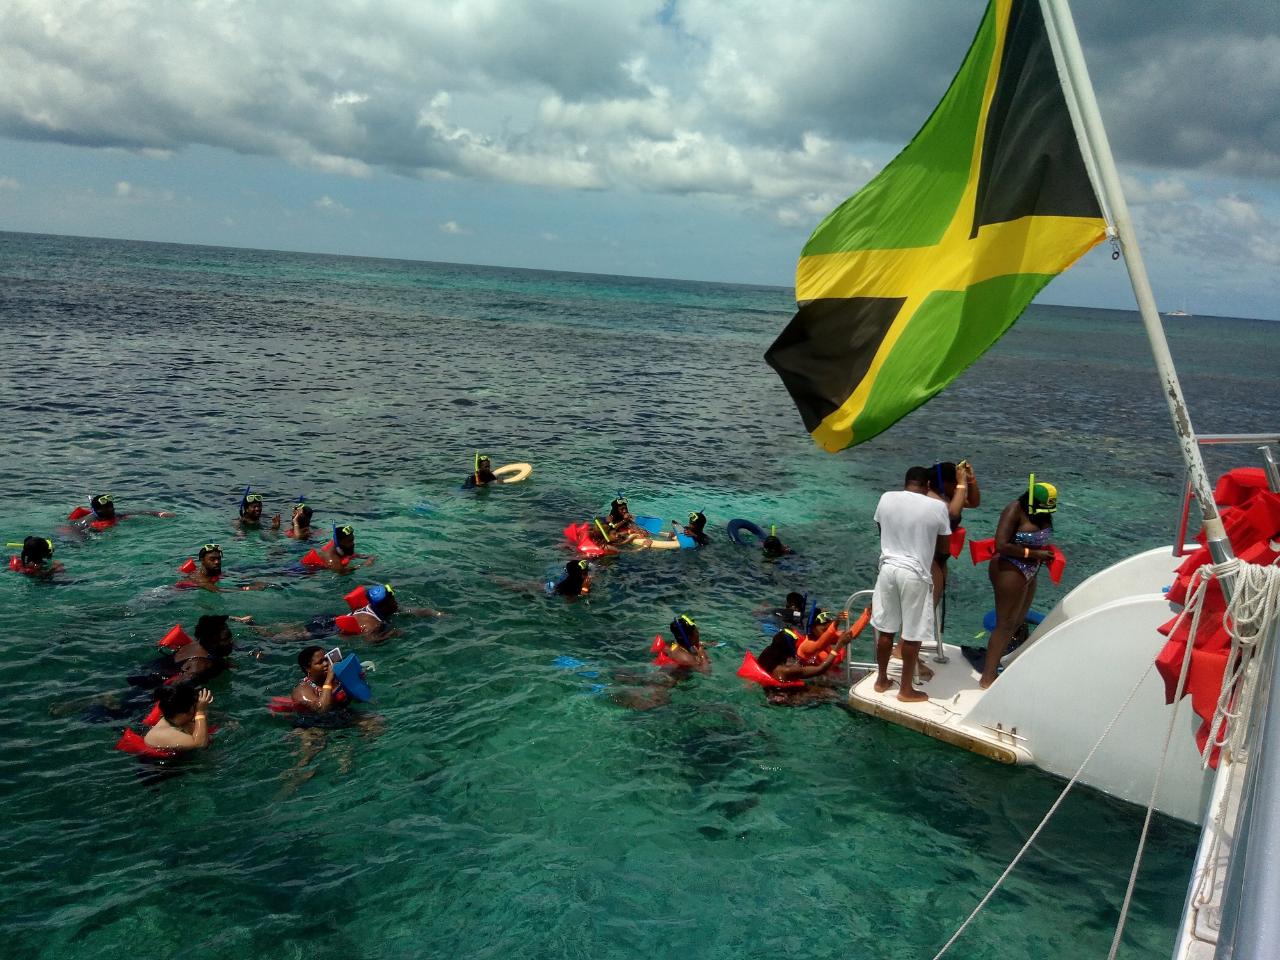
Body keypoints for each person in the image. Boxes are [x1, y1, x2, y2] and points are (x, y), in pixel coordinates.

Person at [871, 466, 951, 703]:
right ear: (927, 486)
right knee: (912, 634)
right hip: (914, 573)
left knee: (886, 629)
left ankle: (881, 679)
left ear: (906, 483)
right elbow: (944, 549)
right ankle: (905, 690)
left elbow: (881, 529)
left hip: (887, 569)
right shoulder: (938, 507)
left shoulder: (886, 498)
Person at [981, 477, 1058, 688]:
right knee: (1004, 623)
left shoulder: (1042, 513)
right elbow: (1001, 544)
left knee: (1017, 621)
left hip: (1031, 569)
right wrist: (1033, 552)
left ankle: (997, 665)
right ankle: (987, 678)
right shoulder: (1015, 509)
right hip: (1009, 568)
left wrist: (1046, 555)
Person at [143, 683, 214, 752]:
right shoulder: (165, 733)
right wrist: (200, 711)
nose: (196, 708)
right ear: (187, 712)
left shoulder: (174, 720)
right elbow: (200, 745)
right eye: (195, 706)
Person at [178, 543, 270, 592]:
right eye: (212, 559)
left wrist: (251, 580)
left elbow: (228, 575)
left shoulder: (214, 571)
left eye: (218, 558)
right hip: (176, 593)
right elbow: (218, 590)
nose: (217, 562)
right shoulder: (200, 579)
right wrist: (249, 588)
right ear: (202, 561)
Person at [73, 493, 175, 528]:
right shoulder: (86, 522)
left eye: (111, 508)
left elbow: (139, 512)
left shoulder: (115, 515)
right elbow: (75, 533)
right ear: (97, 511)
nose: (110, 511)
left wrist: (159, 514)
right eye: (106, 509)